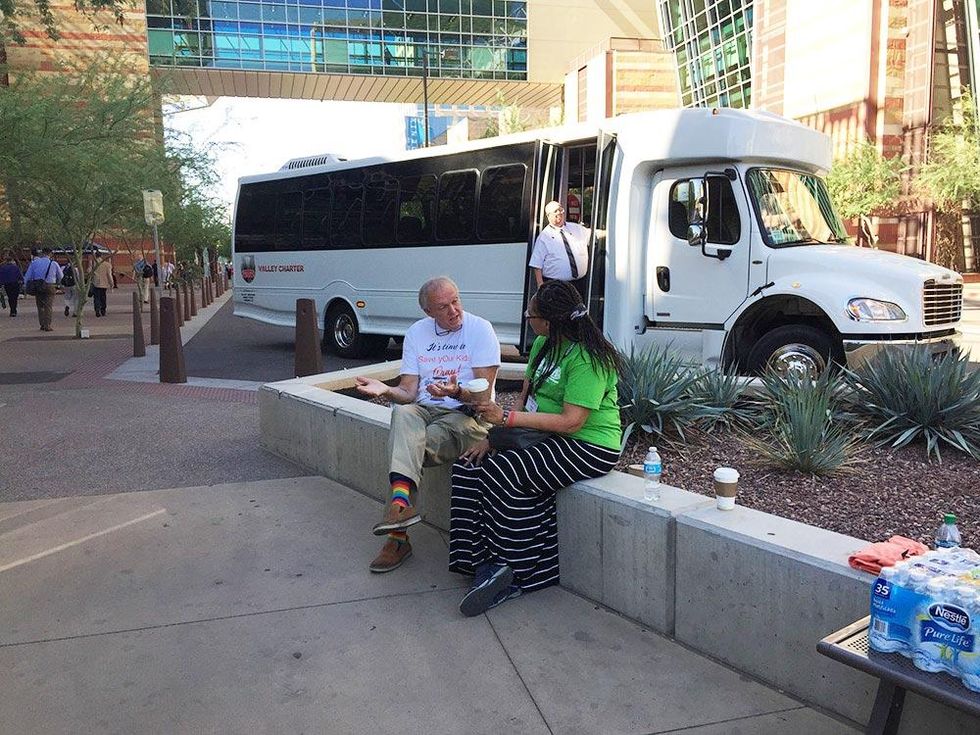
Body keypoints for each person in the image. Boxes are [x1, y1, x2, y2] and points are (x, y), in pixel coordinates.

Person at [449, 280, 622, 616]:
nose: (528, 321)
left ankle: (517, 573)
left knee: (504, 471)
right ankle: (478, 561)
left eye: (532, 316)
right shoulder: (545, 344)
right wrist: (495, 436)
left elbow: (573, 422)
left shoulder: (589, 359)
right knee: (468, 465)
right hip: (548, 436)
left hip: (589, 445)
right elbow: (528, 403)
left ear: (551, 321)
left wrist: (507, 419)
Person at [355, 276, 500, 574]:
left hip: (467, 415)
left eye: (456, 301)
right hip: (423, 410)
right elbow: (408, 392)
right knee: (403, 413)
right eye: (443, 307)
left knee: (406, 446)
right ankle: (399, 510)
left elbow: (483, 396)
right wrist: (384, 389)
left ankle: (397, 532)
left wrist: (456, 391)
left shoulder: (480, 329)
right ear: (428, 312)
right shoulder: (417, 333)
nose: (454, 310)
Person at [528, 200, 591, 300]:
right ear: (548, 216)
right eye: (555, 211)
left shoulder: (576, 228)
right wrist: (541, 286)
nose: (559, 213)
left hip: (579, 284)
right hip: (556, 286)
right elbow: (537, 265)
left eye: (561, 209)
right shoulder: (544, 236)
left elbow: (593, 235)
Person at [23, 247, 63, 331]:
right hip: (50, 285)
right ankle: (47, 325)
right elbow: (61, 276)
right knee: (48, 306)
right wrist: (59, 284)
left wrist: (25, 285)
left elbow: (28, 276)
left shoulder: (34, 263)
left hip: (38, 285)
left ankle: (42, 324)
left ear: (42, 253)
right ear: (50, 254)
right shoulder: (54, 263)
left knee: (40, 306)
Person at [0, 251, 23, 317]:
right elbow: (19, 276)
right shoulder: (16, 267)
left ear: (6, 261)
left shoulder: (3, 268)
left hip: (7, 284)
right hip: (15, 284)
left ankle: (12, 310)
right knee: (14, 297)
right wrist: (22, 281)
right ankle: (13, 310)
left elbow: (1, 276)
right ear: (12, 261)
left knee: (10, 297)